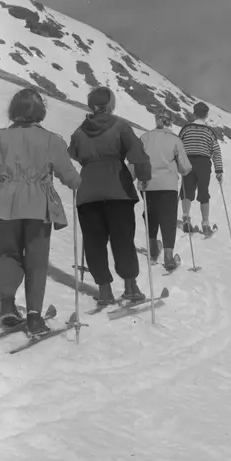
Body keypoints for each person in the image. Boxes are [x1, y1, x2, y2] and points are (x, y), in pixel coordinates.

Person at [0, 87, 82, 334]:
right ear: (40, 111)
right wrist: (77, 183)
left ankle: (8, 306)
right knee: (36, 258)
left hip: (7, 202)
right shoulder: (51, 140)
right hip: (38, 204)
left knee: (7, 252)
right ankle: (34, 317)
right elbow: (68, 174)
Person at [69, 86, 152, 306]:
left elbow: (74, 152)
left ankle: (104, 290)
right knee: (122, 239)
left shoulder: (79, 131)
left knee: (94, 240)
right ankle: (130, 286)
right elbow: (138, 154)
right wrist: (143, 176)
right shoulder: (121, 127)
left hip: (87, 192)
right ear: (111, 104)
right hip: (118, 190)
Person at [138, 109, 192, 271]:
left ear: (157, 120)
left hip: (147, 184)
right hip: (168, 186)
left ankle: (154, 249)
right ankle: (169, 258)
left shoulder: (144, 138)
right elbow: (185, 167)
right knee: (168, 218)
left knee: (150, 214)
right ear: (171, 122)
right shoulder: (175, 140)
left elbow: (136, 158)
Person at [179, 101, 223, 236]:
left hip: (188, 161)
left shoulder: (186, 129)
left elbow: (178, 145)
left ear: (194, 113)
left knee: (187, 190)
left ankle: (186, 218)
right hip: (203, 163)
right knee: (203, 192)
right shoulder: (210, 131)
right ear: (206, 115)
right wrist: (219, 171)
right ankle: (205, 224)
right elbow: (216, 151)